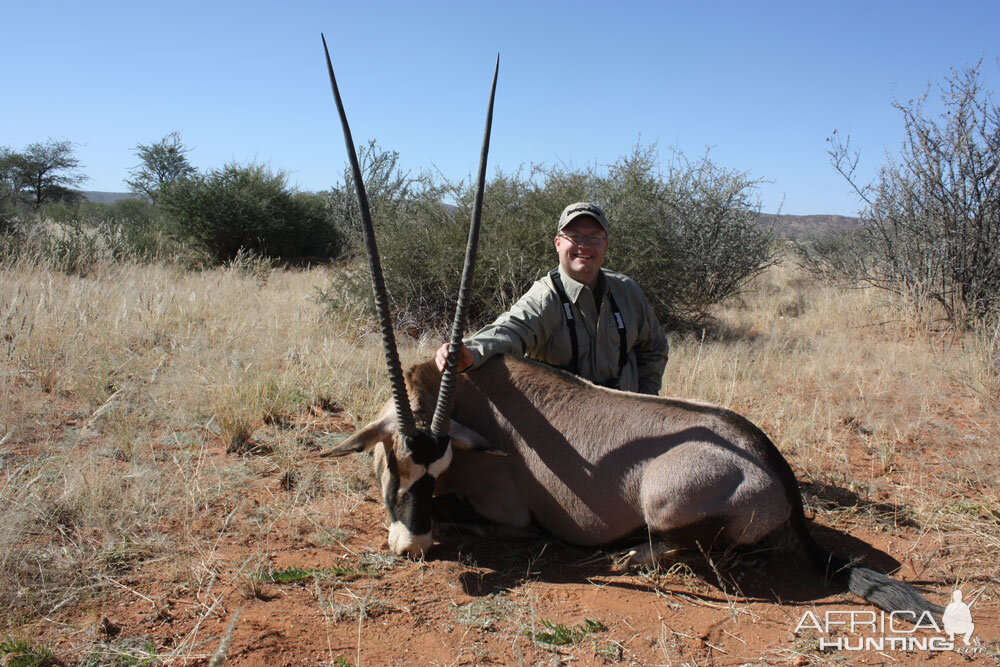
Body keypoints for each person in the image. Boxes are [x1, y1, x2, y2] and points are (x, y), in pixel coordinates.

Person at [435, 202, 668, 394]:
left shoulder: (628, 292)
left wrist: (646, 399)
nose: (584, 245)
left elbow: (654, 347)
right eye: (574, 236)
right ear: (558, 243)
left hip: (629, 417)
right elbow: (511, 330)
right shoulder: (546, 296)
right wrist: (472, 352)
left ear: (606, 245)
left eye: (594, 237)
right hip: (567, 424)